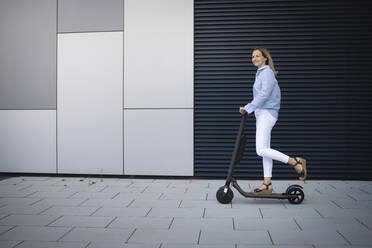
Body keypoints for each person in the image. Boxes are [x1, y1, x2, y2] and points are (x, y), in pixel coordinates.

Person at [239, 47, 307, 195]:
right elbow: (262, 96)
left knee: (261, 150)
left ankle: (295, 161)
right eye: (252, 56)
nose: (254, 58)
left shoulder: (267, 73)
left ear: (265, 58)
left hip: (267, 113)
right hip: (262, 113)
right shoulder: (261, 73)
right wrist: (252, 109)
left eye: (257, 56)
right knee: (265, 151)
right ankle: (267, 184)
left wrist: (248, 107)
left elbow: (264, 94)